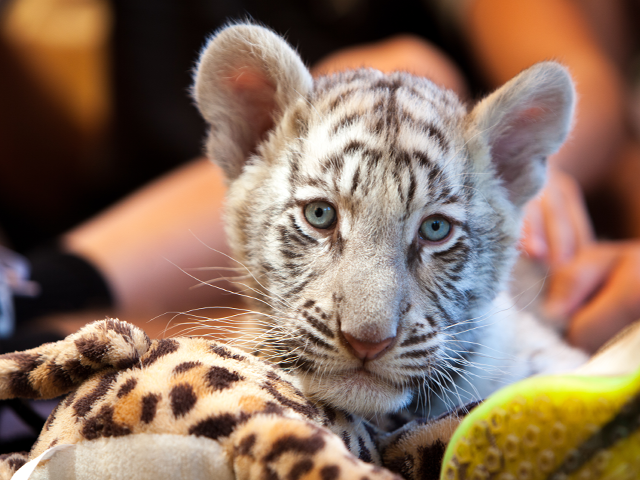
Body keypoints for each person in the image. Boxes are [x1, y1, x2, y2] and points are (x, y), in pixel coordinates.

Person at [4, 0, 639, 354]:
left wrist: (499, 171)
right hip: (179, 209)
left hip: (405, 241)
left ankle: (31, 308)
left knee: (409, 70)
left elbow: (585, 89)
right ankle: (29, 302)